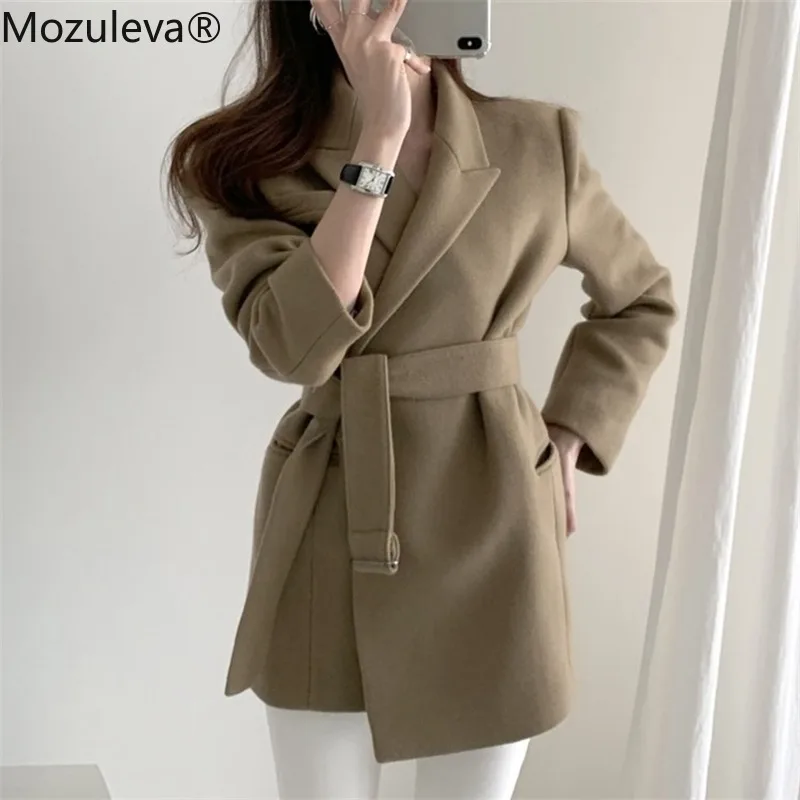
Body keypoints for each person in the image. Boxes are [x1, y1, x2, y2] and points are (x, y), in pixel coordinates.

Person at [164, 0, 679, 795]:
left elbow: (640, 299)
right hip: (333, 520)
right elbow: (293, 348)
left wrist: (571, 432)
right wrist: (379, 138)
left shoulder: (537, 142)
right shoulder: (239, 161)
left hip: (496, 520)